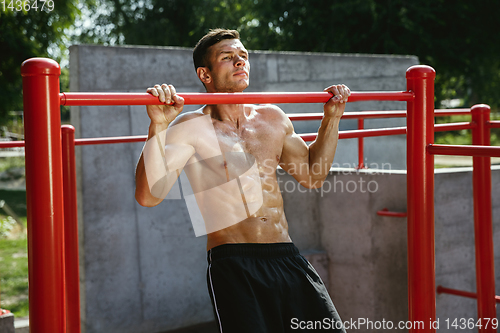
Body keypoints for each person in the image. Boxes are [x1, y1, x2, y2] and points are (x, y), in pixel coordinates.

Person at [135, 28, 350, 333]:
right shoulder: (191, 127)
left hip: (286, 255)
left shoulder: (273, 119)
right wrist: (158, 126)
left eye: (243, 56)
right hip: (234, 263)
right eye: (227, 57)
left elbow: (312, 175)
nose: (239, 62)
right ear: (204, 74)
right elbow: (149, 195)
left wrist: (332, 118)